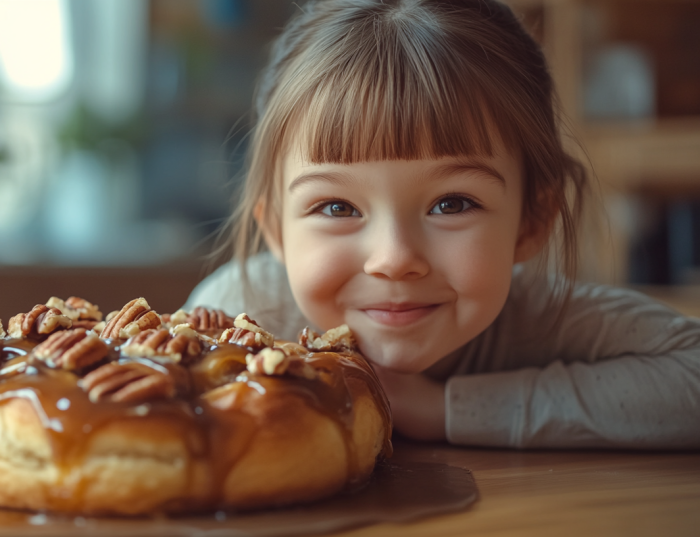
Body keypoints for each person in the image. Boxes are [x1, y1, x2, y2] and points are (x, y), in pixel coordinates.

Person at [184, 0, 700, 449]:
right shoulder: (240, 319)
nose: (393, 257)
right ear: (276, 229)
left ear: (532, 219)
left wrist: (444, 409)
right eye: (338, 208)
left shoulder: (541, 318)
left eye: (452, 203)